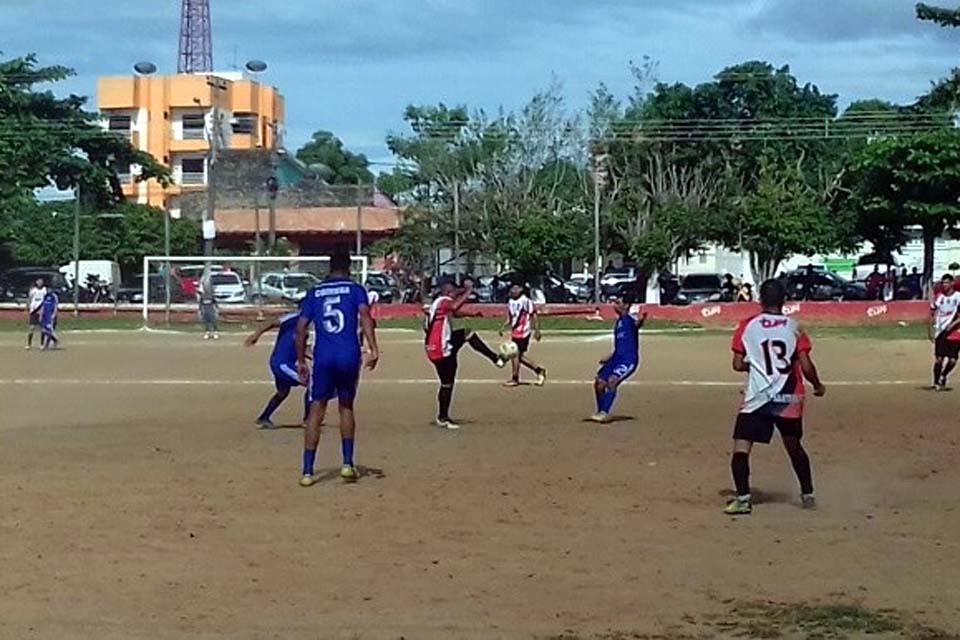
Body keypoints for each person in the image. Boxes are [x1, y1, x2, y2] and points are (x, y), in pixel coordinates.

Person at [725, 279, 826, 516]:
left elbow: (737, 364)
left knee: (742, 447)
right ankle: (808, 494)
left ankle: (742, 499)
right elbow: (806, 365)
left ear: (760, 299)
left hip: (758, 397)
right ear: (784, 301)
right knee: (793, 446)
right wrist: (818, 385)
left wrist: (757, 366)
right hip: (789, 396)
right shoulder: (794, 326)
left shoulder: (747, 326)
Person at [296, 251, 378, 486]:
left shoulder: (315, 292)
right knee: (346, 407)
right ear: (349, 267)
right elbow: (365, 318)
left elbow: (301, 328)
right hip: (348, 354)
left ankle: (308, 471)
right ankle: (347, 463)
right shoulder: (355, 289)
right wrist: (373, 348)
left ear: (329, 268)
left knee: (316, 410)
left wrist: (301, 359)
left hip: (323, 356)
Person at [425, 277, 505, 430]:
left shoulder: (440, 303)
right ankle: (442, 418)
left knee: (467, 333)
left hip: (438, 345)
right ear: (449, 292)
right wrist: (468, 291)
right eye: (454, 292)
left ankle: (495, 358)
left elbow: (454, 312)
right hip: (440, 349)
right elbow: (454, 306)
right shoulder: (444, 301)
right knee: (447, 384)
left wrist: (472, 314)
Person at [245, 307, 311, 430]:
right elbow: (272, 322)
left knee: (282, 392)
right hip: (282, 364)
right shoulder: (294, 317)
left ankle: (263, 418)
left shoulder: (305, 325)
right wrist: (256, 335)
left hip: (282, 363)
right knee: (314, 385)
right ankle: (309, 420)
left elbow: (303, 348)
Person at [590, 295, 645, 424]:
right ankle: (600, 410)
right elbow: (620, 346)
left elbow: (636, 324)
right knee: (599, 383)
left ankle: (604, 412)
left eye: (618, 302)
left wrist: (640, 321)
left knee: (612, 381)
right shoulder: (619, 323)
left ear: (626, 305)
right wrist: (609, 357)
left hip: (628, 360)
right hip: (616, 358)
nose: (615, 305)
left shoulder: (629, 319)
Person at [499, 283, 547, 387]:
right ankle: (539, 370)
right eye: (512, 288)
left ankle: (515, 378)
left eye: (515, 288)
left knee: (515, 355)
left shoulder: (525, 301)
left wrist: (537, 330)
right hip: (515, 331)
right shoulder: (511, 301)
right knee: (518, 356)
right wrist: (504, 326)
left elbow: (533, 314)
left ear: (521, 289)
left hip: (524, 332)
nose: (513, 290)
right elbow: (511, 316)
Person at [928, 274, 960, 391]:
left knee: (952, 360)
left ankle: (944, 375)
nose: (944, 285)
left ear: (952, 283)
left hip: (954, 331)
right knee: (939, 359)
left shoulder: (958, 297)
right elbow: (933, 309)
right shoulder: (940, 297)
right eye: (943, 283)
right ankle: (936, 381)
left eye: (946, 283)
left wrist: (952, 325)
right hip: (940, 331)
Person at [26, 277, 46, 350]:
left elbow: (45, 300)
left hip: (41, 310)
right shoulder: (33, 290)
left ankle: (42, 344)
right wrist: (27, 307)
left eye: (41, 282)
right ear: (36, 282)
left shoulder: (44, 290)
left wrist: (43, 310)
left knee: (42, 328)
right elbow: (29, 299)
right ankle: (29, 344)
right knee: (31, 328)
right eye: (39, 281)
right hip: (33, 310)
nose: (40, 283)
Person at [198, 274, 219, 340]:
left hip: (211, 310)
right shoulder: (202, 297)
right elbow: (200, 305)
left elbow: (215, 304)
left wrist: (216, 310)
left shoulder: (211, 296)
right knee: (206, 322)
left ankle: (215, 333)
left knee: (213, 322)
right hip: (205, 311)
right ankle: (207, 333)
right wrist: (200, 311)